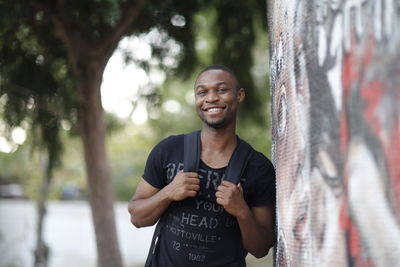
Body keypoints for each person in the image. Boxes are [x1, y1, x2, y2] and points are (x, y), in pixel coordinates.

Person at [128, 65, 276, 267]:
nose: (211, 98)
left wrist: (242, 211)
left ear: (239, 95)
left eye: (222, 90)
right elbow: (137, 218)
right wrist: (168, 192)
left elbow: (260, 249)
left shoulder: (259, 167)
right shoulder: (168, 150)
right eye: (202, 92)